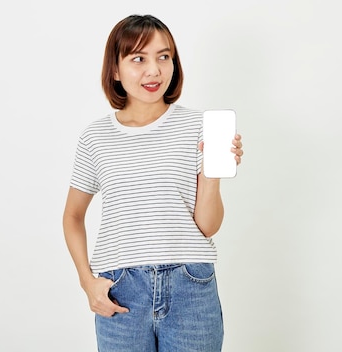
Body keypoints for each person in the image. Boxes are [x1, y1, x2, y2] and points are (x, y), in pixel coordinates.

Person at [62, 14, 243, 352]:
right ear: (115, 70)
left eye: (164, 56)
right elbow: (73, 216)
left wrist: (213, 174)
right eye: (138, 59)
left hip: (190, 285)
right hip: (120, 290)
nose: (154, 70)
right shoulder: (95, 138)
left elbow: (207, 226)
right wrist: (87, 282)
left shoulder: (197, 127)